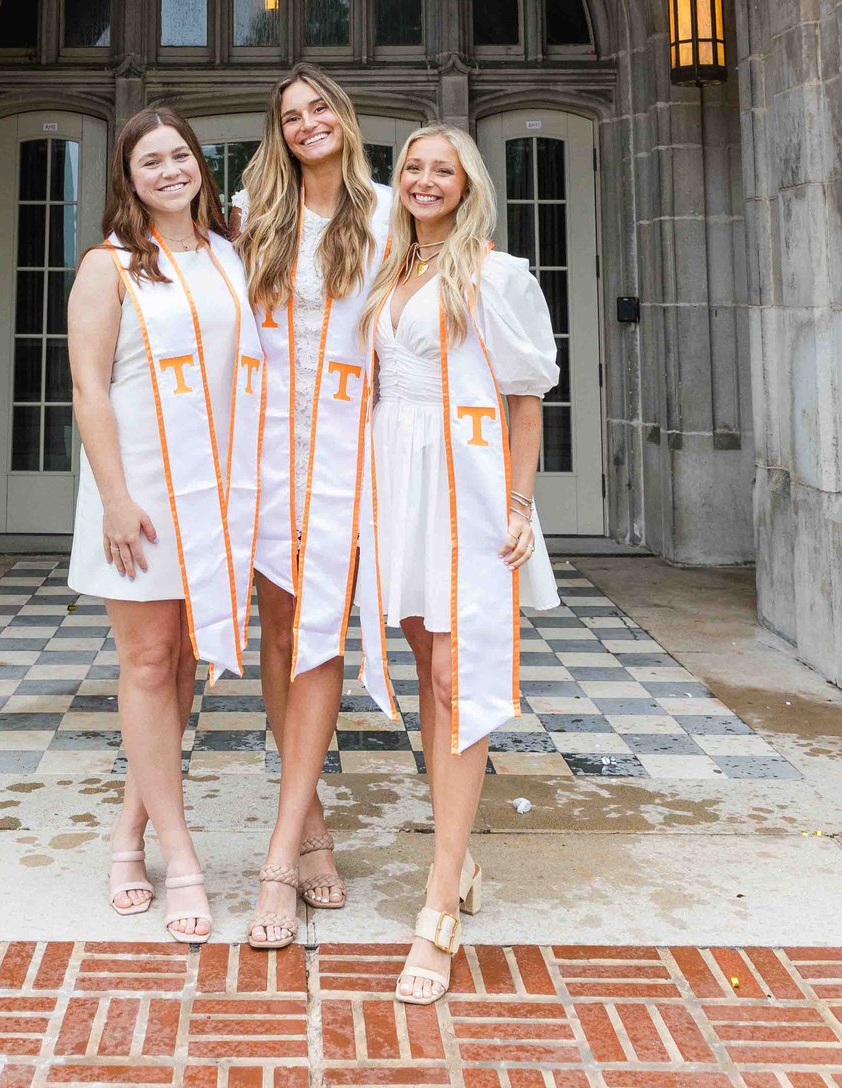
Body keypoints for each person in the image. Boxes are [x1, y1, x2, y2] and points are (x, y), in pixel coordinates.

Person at [355, 125, 561, 1003]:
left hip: (464, 485)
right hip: (394, 480)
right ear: (396, 181)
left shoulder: (496, 274)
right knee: (424, 662)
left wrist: (518, 505)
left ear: (468, 183)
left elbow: (524, 401)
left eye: (442, 170)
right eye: (412, 168)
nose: (425, 181)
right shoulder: (386, 268)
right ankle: (460, 854)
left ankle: (439, 902)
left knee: (456, 679)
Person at [67, 107, 264, 941]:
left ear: (200, 163)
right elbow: (88, 388)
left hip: (213, 495)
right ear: (129, 177)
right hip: (138, 493)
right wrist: (113, 496)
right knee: (147, 661)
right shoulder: (107, 266)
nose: (169, 171)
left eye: (179, 155)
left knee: (184, 664)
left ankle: (128, 833)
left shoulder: (231, 253)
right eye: (150, 162)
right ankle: (180, 857)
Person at [231, 69, 392, 947]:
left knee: (322, 635)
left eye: (318, 107)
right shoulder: (257, 214)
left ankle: (277, 860)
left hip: (348, 452)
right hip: (265, 453)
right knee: (282, 636)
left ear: (344, 115)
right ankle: (313, 829)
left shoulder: (386, 211)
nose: (306, 123)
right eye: (290, 116)